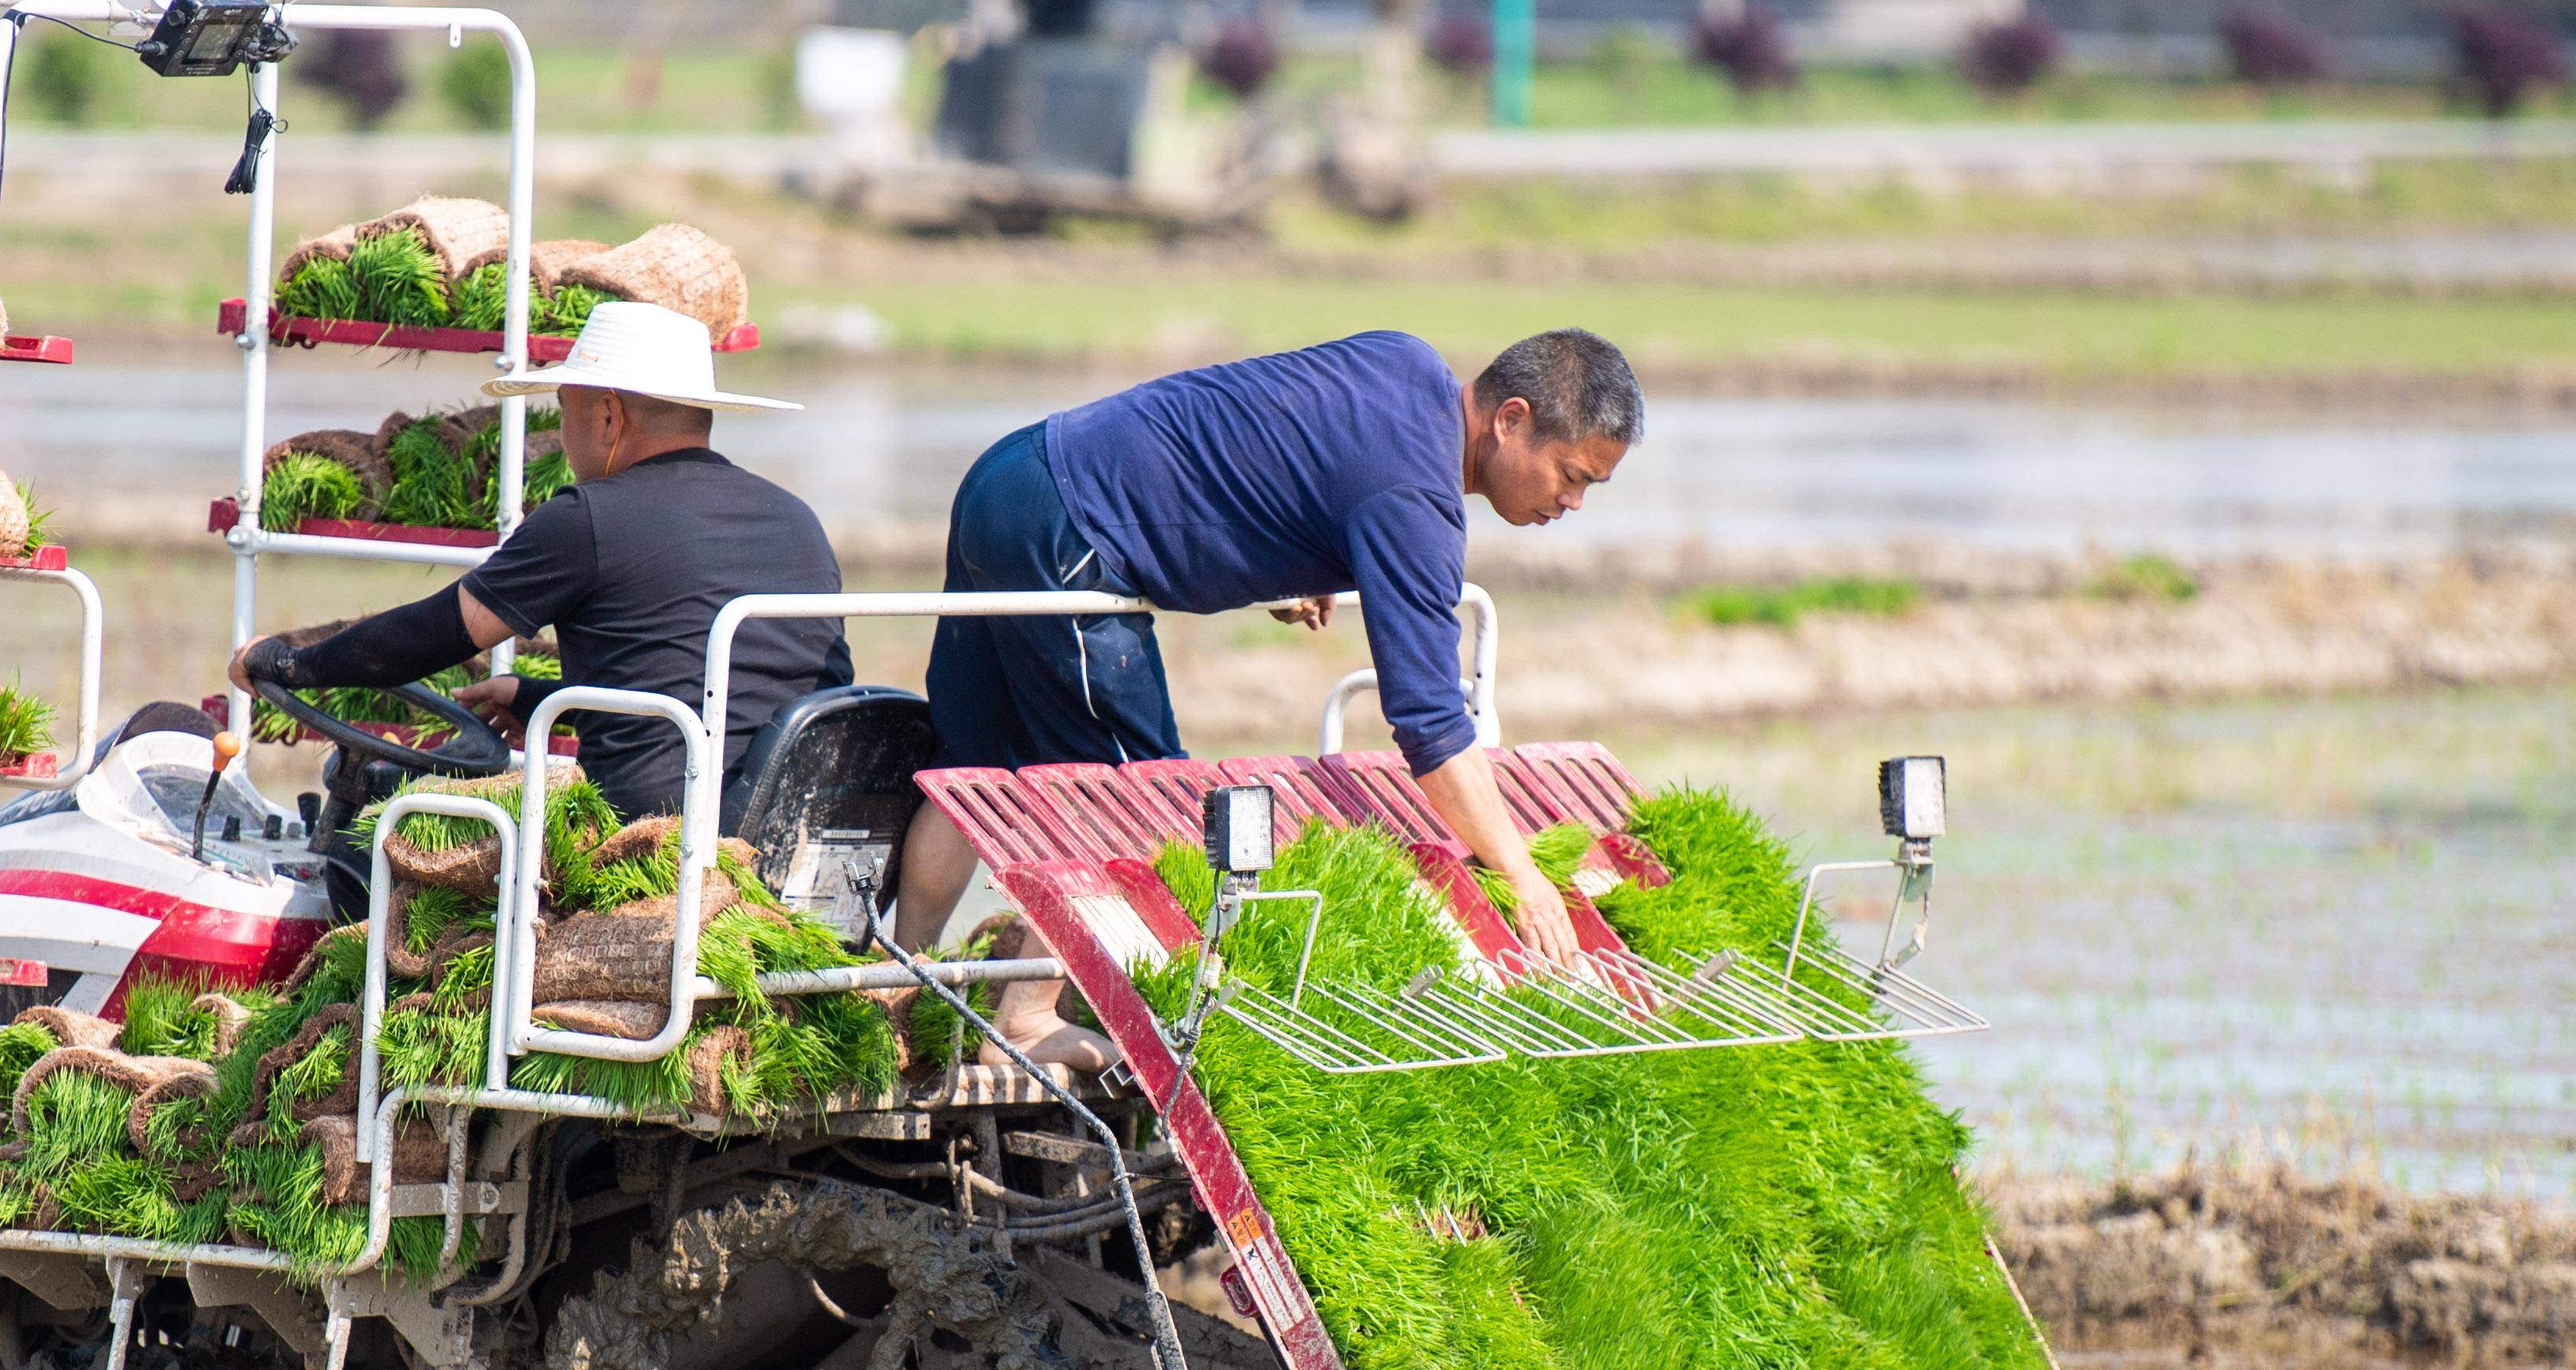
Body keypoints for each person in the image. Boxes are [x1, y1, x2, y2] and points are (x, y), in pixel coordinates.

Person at [897, 325, 1639, 1030]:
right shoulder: (1415, 503)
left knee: (973, 766)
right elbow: (1429, 723)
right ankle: (1026, 1020)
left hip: (1012, 475)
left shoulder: (1408, 364)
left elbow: (1273, 446)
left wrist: (1304, 555)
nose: (1572, 503)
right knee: (1134, 806)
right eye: (1571, 475)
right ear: (1511, 419)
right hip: (1071, 535)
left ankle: (898, 977)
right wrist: (1519, 872)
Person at [228, 301, 847, 826]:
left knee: (395, 838)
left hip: (657, 842)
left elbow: (429, 635)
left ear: (609, 415)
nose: (566, 430)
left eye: (567, 409)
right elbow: (716, 691)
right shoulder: (797, 520)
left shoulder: (588, 519)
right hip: (788, 824)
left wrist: (290, 662)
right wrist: (545, 698)